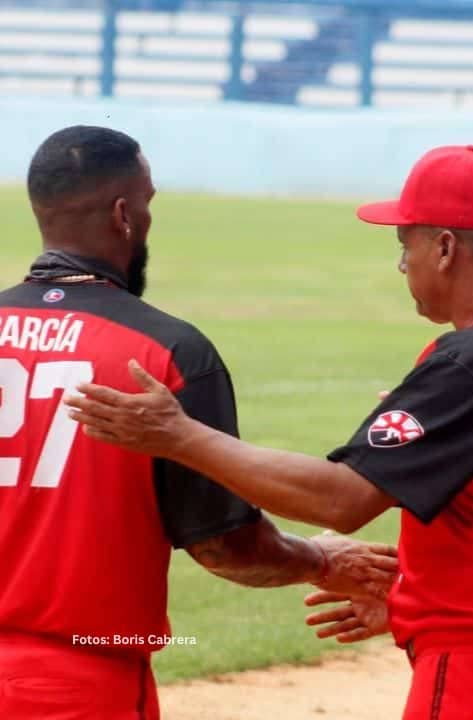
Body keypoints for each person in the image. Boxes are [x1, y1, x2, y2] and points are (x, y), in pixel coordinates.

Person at [66, 144, 473, 719]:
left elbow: (341, 499)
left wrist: (181, 436)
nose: (401, 264)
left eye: (404, 245)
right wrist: (429, 597)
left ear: (444, 248)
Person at [0, 125, 397, 719]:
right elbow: (225, 548)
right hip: (79, 684)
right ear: (123, 215)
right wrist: (320, 561)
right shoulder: (165, 353)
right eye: (148, 203)